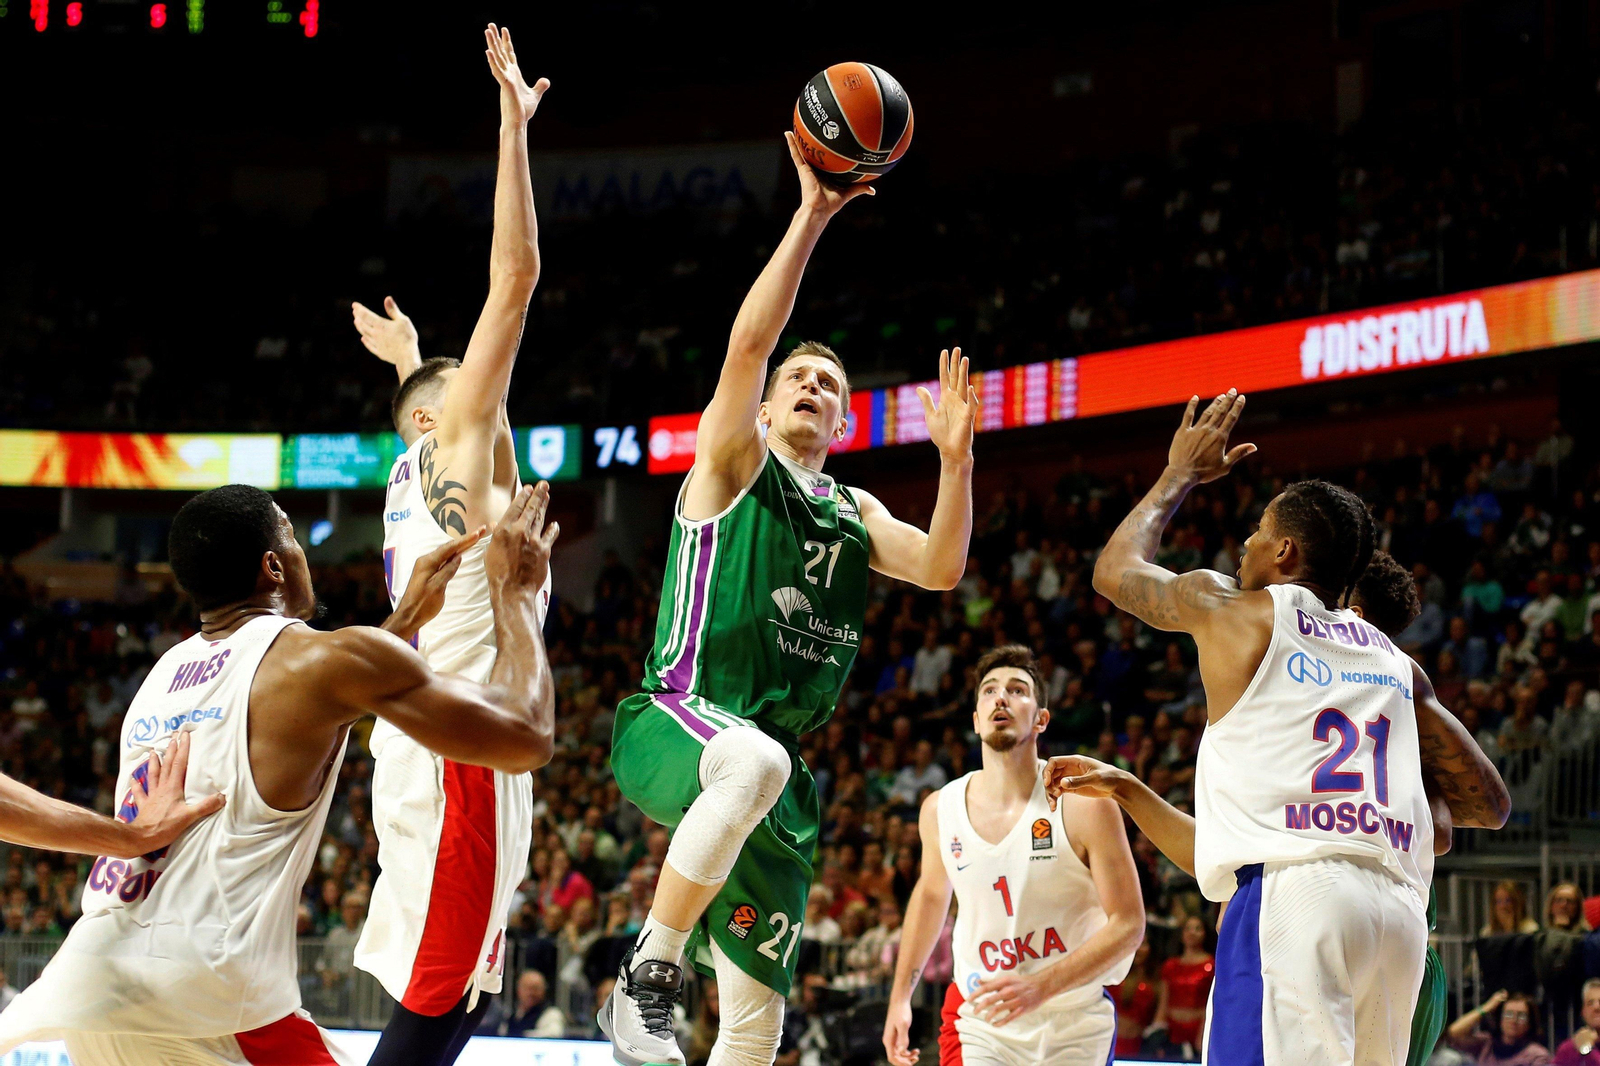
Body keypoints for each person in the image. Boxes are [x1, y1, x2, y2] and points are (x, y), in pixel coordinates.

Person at [600, 131, 979, 1066]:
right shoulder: (734, 463)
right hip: (679, 717)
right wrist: (813, 214)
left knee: (757, 1020)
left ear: (844, 424)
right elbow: (751, 341)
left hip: (777, 768)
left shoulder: (854, 511)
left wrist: (957, 461)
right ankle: (647, 975)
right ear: (765, 410)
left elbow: (940, 567)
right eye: (799, 380)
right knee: (751, 763)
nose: (813, 385)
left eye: (831, 386)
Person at [0, 478, 558, 1063]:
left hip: (97, 987)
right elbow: (526, 736)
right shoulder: (325, 663)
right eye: (292, 536)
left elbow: (299, 716)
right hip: (208, 997)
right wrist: (516, 592)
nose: (300, 552)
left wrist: (403, 622)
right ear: (273, 565)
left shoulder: (163, 676)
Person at [1085, 390, 1510, 1066]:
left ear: (1284, 550)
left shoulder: (1236, 610)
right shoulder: (1396, 663)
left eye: (1257, 531)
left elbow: (1114, 572)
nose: (1246, 544)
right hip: (1397, 910)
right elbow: (1489, 803)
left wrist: (1180, 475)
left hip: (1298, 897)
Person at [353, 26, 557, 1066]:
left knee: (454, 989)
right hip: (466, 745)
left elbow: (434, 399)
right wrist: (511, 130)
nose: (497, 404)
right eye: (476, 393)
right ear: (442, 416)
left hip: (418, 742)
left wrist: (405, 357)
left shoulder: (408, 476)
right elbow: (515, 278)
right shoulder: (457, 444)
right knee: (442, 1001)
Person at [883, 645, 1142, 1066]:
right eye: (988, 691)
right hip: (981, 1020)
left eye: (1017, 690)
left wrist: (1040, 986)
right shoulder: (939, 809)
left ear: (1041, 719)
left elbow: (1129, 926)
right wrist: (900, 999)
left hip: (1073, 1020)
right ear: (975, 720)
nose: (1000, 698)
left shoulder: (1085, 803)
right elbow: (932, 898)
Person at [1446, 990, 1553, 1065]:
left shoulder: (1537, 1055)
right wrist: (1487, 1007)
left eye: (1521, 1016)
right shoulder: (1486, 1044)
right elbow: (1454, 1033)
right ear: (1499, 1019)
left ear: (1530, 1022)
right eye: (1508, 1014)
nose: (1513, 1021)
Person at [501, 970, 566, 1038]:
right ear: (518, 990)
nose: (530, 993)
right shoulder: (512, 1015)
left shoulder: (551, 1014)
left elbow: (553, 1034)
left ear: (544, 991)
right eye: (526, 988)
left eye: (535, 988)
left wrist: (521, 1036)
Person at [1553, 979, 1600, 1065]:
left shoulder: (1582, 1046)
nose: (1596, 1007)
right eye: (1590, 1003)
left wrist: (1586, 1049)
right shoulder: (1568, 1048)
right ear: (1583, 1012)